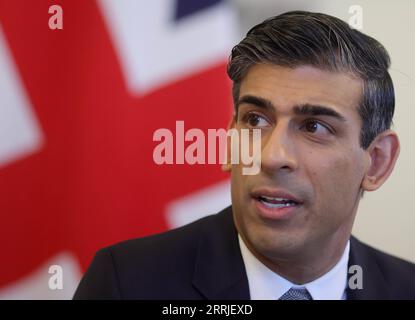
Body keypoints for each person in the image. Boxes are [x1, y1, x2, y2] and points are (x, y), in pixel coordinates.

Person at [73, 11, 415, 300]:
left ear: (377, 162)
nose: (271, 157)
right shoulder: (127, 284)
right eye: (255, 120)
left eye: (314, 127)